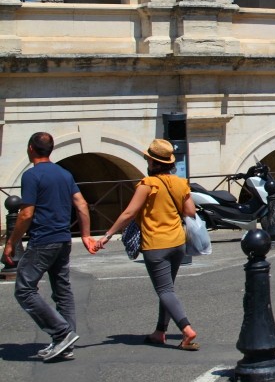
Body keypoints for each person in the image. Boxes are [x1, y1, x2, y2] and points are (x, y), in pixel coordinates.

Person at [96, 139, 200, 351]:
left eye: (148, 159)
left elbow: (129, 213)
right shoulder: (181, 183)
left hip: (156, 244)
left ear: (153, 162)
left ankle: (186, 329)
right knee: (167, 289)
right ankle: (160, 332)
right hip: (178, 242)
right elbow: (190, 212)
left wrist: (107, 235)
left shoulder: (147, 185)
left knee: (164, 290)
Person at [3, 132, 96, 362]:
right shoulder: (65, 174)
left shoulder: (32, 176)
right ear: (50, 150)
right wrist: (85, 235)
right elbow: (81, 204)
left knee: (24, 290)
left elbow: (26, 213)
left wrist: (11, 242)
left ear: (31, 149)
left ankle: (61, 333)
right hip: (63, 240)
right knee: (62, 291)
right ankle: (66, 342)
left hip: (43, 240)